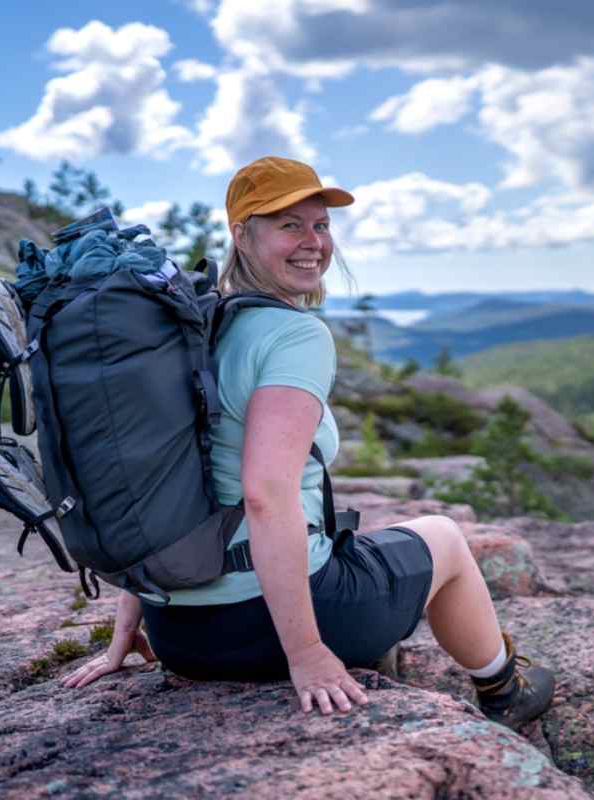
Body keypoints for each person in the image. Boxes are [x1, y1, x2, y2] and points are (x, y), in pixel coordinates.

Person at [61, 156, 555, 731]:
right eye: (289, 225)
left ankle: (377, 652)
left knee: (357, 543)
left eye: (320, 225)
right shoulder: (294, 335)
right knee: (443, 536)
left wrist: (132, 626)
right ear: (241, 235)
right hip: (263, 629)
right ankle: (503, 687)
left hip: (182, 636)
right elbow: (267, 494)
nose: (313, 242)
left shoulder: (191, 330)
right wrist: (307, 655)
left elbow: (159, 480)